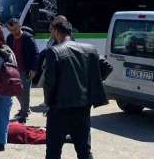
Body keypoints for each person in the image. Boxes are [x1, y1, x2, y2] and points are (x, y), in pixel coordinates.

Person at [43, 17, 108, 159]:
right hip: (82, 108)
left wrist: (49, 103)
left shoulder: (54, 51)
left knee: (53, 152)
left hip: (60, 109)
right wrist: (92, 82)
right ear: (70, 32)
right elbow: (107, 67)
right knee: (84, 150)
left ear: (55, 31)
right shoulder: (90, 49)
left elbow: (49, 83)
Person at [6, 18, 39, 124]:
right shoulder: (10, 38)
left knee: (24, 92)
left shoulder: (28, 38)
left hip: (25, 69)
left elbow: (36, 54)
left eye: (15, 29)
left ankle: (24, 113)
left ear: (20, 26)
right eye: (11, 30)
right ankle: (24, 108)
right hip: (13, 69)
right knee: (16, 91)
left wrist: (34, 69)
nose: (14, 32)